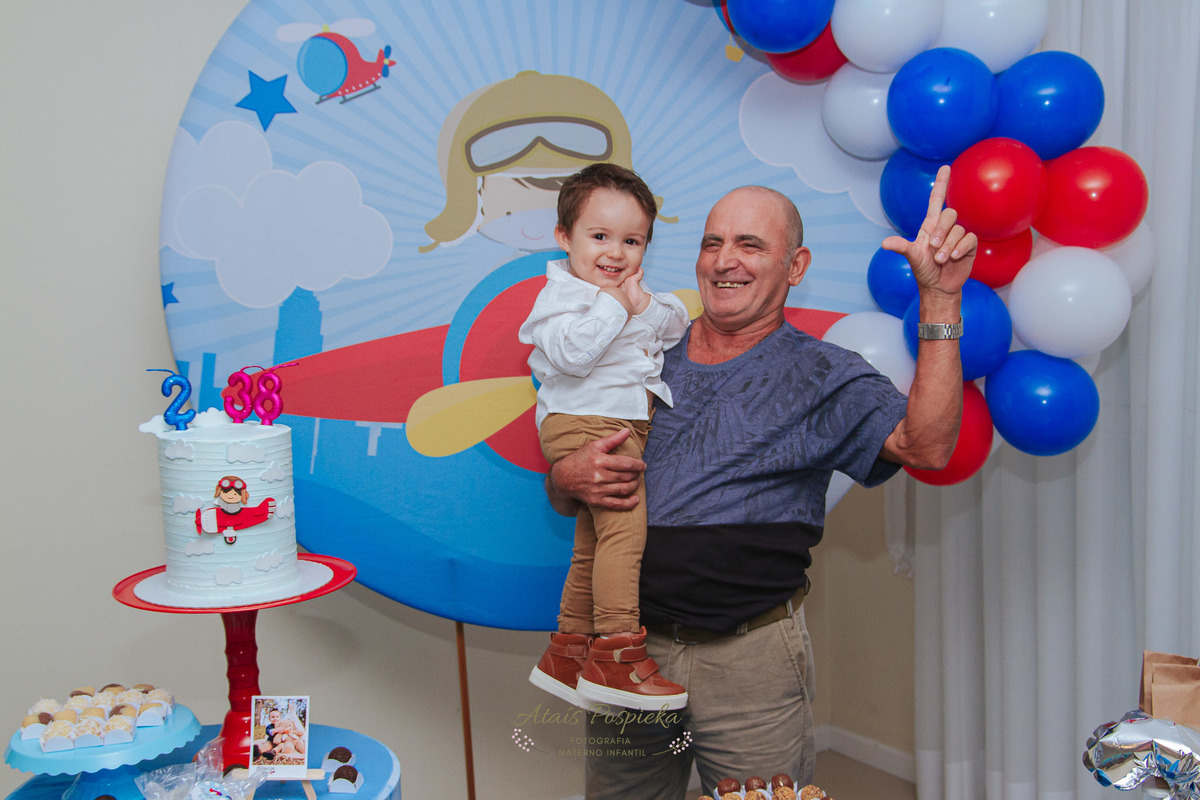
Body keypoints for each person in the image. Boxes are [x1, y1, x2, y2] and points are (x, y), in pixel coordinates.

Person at [546, 166, 975, 798]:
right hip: (628, 653)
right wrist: (567, 474)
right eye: (712, 243)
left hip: (750, 662)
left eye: (750, 245)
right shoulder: (637, 349)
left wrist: (939, 300)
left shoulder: (825, 373)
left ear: (795, 266)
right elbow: (565, 493)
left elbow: (928, 447)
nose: (725, 261)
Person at [519, 163, 692, 711]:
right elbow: (574, 354)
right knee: (624, 534)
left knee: (593, 543)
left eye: (632, 241)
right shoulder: (561, 298)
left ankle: (569, 651)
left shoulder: (630, 293)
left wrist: (643, 304)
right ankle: (618, 653)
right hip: (585, 423)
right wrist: (617, 304)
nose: (616, 253)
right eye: (599, 236)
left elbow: (676, 327)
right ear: (563, 237)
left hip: (618, 422)